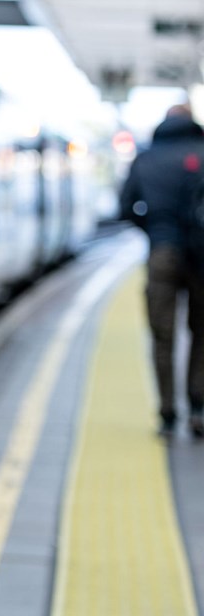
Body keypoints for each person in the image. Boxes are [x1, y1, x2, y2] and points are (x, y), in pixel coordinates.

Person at [119, 102, 204, 439]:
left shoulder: (146, 157)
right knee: (201, 331)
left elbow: (126, 207)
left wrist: (155, 231)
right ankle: (198, 406)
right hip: (202, 256)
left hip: (162, 253)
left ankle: (167, 413)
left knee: (162, 335)